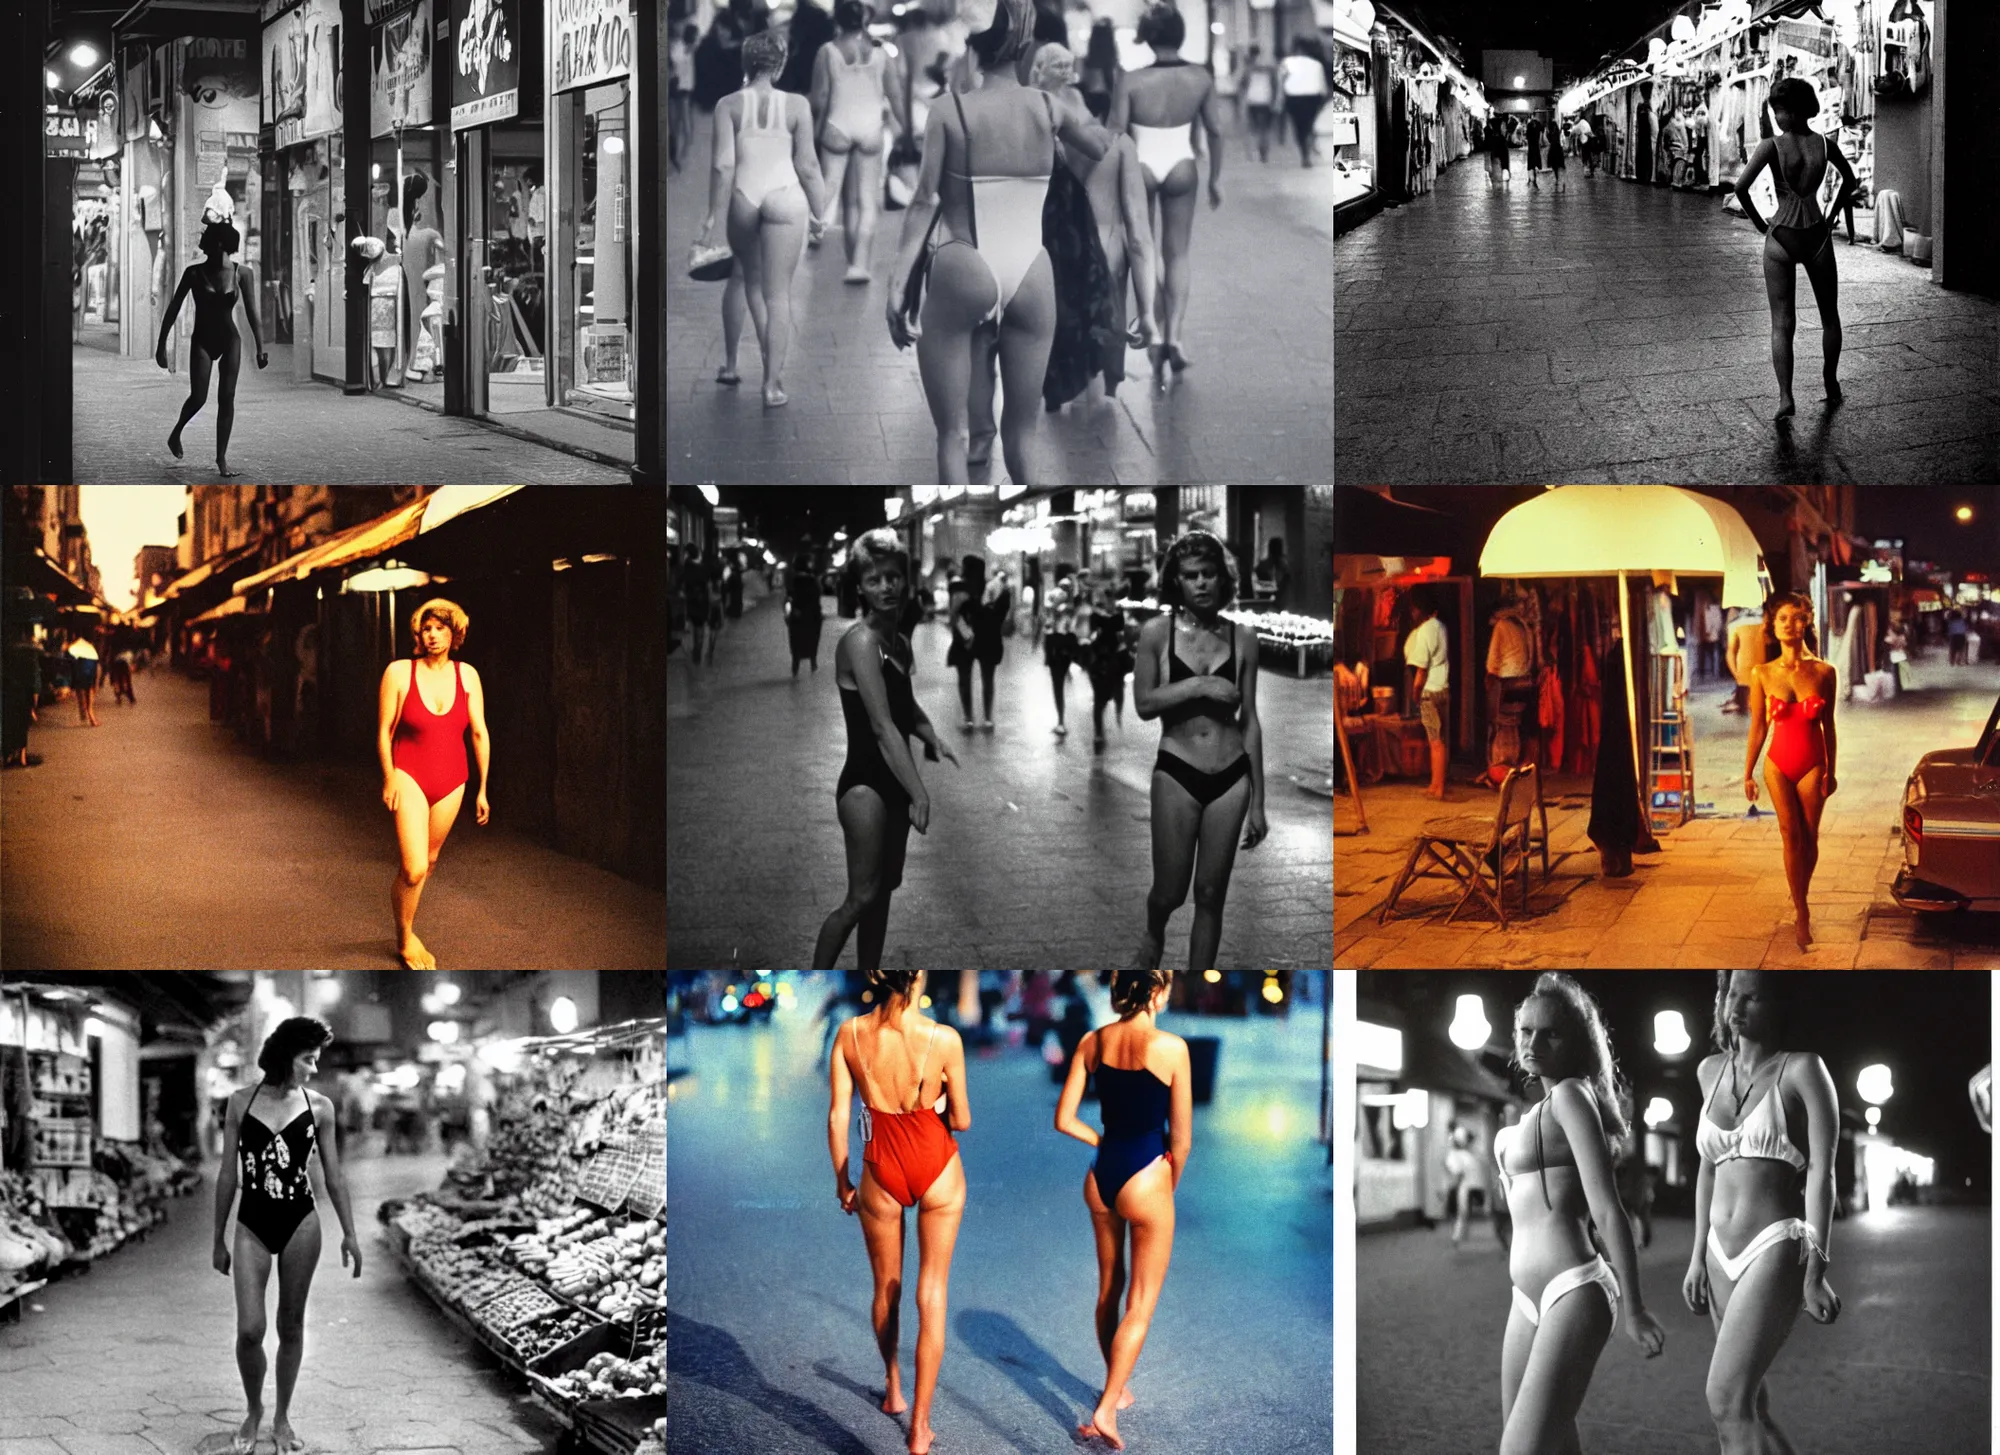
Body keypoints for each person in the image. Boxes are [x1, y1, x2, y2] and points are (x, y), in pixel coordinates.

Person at [883, 0, 1108, 483]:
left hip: (964, 264)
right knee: (1024, 440)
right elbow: (1100, 147)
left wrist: (897, 286)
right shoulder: (1048, 107)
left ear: (975, 48)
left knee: (952, 437)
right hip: (1032, 272)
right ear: (1023, 47)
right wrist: (1064, 93)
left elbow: (923, 201)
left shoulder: (949, 111)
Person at [1498, 975, 1665, 1455]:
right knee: (1549, 1438)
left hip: (1574, 1288)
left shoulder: (1572, 1096)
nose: (1534, 1042)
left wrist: (1634, 1309)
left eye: (1550, 1032)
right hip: (1524, 1298)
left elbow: (1609, 1208)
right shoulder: (1535, 1112)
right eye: (1526, 1031)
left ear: (1577, 1042)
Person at [1683, 971, 1841, 1455]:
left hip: (1775, 1246)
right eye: (1733, 993)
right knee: (1752, 1402)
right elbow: (1707, 1171)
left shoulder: (1803, 1069)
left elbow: (1821, 1174)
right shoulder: (1708, 1071)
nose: (1739, 1005)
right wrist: (1694, 1258)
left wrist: (1816, 1269)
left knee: (1725, 1398)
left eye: (1754, 997)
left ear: (1778, 1005)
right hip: (1716, 1253)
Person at [829, 967, 970, 1455]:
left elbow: (838, 1113)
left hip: (880, 1165)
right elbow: (963, 1120)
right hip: (936, 1166)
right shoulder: (943, 1038)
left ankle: (893, 1388)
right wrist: (942, 1098)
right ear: (918, 978)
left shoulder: (848, 1033)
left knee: (884, 1287)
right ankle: (921, 1427)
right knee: (931, 1291)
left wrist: (842, 1179)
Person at [1055, 966, 1191, 1450]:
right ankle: (1108, 1406)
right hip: (1148, 1173)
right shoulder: (1172, 1049)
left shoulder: (1093, 1042)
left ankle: (1118, 1386)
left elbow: (1064, 1118)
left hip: (1102, 1173)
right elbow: (1182, 1138)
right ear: (1158, 991)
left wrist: (1101, 1142)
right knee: (1141, 1302)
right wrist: (1164, 1187)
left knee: (1108, 1290)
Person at [213, 1017, 361, 1455]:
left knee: (290, 1324)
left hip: (302, 1221)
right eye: (308, 1059)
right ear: (285, 1056)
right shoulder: (240, 1102)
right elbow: (227, 1174)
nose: (314, 1069)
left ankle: (281, 1417)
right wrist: (216, 1238)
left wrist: (350, 1233)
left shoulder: (320, 1107)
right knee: (250, 1330)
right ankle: (254, 1408)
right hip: (251, 1223)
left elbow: (334, 1176)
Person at [813, 531, 959, 971]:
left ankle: (868, 978)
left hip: (893, 780)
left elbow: (904, 708)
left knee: (883, 892)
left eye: (893, 577)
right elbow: (880, 726)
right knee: (860, 897)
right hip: (865, 786)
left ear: (906, 581)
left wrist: (931, 733)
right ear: (860, 586)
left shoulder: (899, 642)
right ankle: (818, 976)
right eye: (875, 579)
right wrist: (920, 793)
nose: (886, 587)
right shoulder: (859, 642)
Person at [1130, 531, 1267, 973]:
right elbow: (1144, 704)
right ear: (1177, 582)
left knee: (1210, 894)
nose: (1202, 583)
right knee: (1170, 892)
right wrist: (1200, 684)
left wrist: (1259, 803)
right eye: (1192, 576)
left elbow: (1250, 720)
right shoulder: (1156, 634)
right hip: (1177, 771)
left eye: (1209, 574)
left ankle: (1197, 980)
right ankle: (1154, 930)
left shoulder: (1244, 636)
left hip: (1231, 776)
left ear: (1223, 579)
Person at [698, 30, 832, 407]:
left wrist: (712, 214)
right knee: (779, 295)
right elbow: (807, 165)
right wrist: (820, 214)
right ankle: (772, 384)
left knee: (744, 279)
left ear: (745, 62)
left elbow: (723, 165)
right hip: (786, 198)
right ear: (781, 63)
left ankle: (730, 364)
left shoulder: (728, 105)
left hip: (744, 197)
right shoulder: (797, 105)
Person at [1035, 45, 1156, 405]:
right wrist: (1148, 312)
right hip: (1108, 254)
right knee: (1108, 309)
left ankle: (1060, 391)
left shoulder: (1038, 139)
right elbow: (1140, 236)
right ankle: (1105, 387)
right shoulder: (1118, 146)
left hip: (1051, 254)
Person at [376, 599, 491, 971]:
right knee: (413, 868)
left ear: (454, 633)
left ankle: (408, 928)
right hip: (409, 773)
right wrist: (390, 775)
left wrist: (483, 788)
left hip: (453, 780)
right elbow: (384, 731)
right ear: (418, 633)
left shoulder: (467, 675)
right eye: (426, 628)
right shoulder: (399, 672)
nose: (432, 635)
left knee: (429, 860)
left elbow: (478, 732)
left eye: (440, 628)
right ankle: (405, 936)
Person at [1733, 78, 1855, 424]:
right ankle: (1830, 381)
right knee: (1829, 316)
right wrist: (1831, 215)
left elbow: (1741, 187)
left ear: (1792, 111)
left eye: (1779, 110)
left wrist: (1760, 223)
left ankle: (1786, 397)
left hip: (1781, 235)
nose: (1777, 116)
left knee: (1782, 323)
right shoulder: (1825, 145)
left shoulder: (1771, 146)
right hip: (1817, 234)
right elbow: (1850, 180)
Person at [1112, 4, 1222, 381]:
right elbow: (1216, 130)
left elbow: (1114, 132)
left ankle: (1153, 331)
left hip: (1139, 164)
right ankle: (1175, 335)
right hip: (1181, 163)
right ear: (1181, 35)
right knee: (1178, 253)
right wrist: (1216, 179)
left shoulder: (1130, 80)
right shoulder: (1200, 76)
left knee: (1145, 249)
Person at [1743, 592, 1837, 951]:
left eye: (1795, 618)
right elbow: (1757, 728)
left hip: (1813, 763)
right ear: (1773, 625)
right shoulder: (1762, 673)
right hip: (1777, 763)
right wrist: (1748, 772)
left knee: (1809, 838)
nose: (1788, 625)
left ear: (1806, 622)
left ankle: (1801, 892)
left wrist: (1832, 770)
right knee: (1789, 833)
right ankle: (1802, 910)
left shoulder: (1824, 671)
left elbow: (1829, 727)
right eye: (1781, 618)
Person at [155, 220, 267, 476]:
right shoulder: (194, 273)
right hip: (203, 341)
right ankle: (177, 432)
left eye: (210, 241)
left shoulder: (243, 273)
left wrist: (261, 348)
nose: (204, 245)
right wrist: (162, 345)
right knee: (199, 397)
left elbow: (253, 313)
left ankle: (221, 459)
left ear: (220, 245)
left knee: (226, 398)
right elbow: (173, 308)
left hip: (230, 340)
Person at [813, 1, 891, 283]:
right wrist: (905, 132)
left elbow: (820, 97)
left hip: (837, 126)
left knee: (836, 192)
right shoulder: (881, 54)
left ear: (838, 20)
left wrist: (814, 131)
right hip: (870, 128)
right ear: (864, 21)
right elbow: (892, 95)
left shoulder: (827, 52)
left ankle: (815, 226)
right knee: (866, 200)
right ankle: (859, 264)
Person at [1588, 622, 1639, 879]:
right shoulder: (1619, 658)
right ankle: (1618, 851)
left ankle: (1616, 852)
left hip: (1616, 734)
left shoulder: (1619, 658)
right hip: (1616, 734)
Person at [1402, 586, 1449, 801]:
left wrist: (1415, 693)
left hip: (1429, 691)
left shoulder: (1423, 631)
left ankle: (1436, 788)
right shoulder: (1441, 627)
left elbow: (1421, 670)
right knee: (1441, 741)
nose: (1412, 613)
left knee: (1434, 742)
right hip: (1444, 689)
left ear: (1419, 609)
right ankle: (1436, 784)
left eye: (1413, 609)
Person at [1485, 601, 1536, 780]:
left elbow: (1493, 659)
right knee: (1522, 727)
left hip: (1509, 683)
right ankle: (1526, 766)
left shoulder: (1501, 626)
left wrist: (1489, 680)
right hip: (1526, 681)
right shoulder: (1523, 626)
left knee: (1503, 726)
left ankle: (1503, 766)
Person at [1085, 586, 1134, 754]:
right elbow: (1092, 635)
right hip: (1100, 662)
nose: (1110, 602)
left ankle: (1114, 722)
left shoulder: (1117, 617)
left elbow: (1121, 637)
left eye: (1112, 598)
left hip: (1113, 662)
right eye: (1108, 598)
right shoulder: (1097, 616)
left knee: (1112, 694)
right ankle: (1099, 733)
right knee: (1100, 699)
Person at [1278, 37, 1328, 168]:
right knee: (1308, 124)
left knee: (1299, 127)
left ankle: (1305, 153)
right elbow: (1322, 85)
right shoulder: (1316, 64)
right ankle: (1308, 146)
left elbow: (1281, 81)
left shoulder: (1287, 62)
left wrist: (1280, 97)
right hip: (1312, 98)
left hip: (1294, 98)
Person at [2, 621, 42, 769]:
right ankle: (22, 757)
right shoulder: (30, 651)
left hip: (9, 689)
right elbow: (34, 676)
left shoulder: (7, 650)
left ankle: (8, 755)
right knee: (23, 724)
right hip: (24, 691)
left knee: (10, 721)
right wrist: (35, 698)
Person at [1044, 578, 1080, 737]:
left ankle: (1061, 721)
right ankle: (1060, 720)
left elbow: (1049, 633)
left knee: (1057, 687)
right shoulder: (1070, 610)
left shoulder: (1059, 613)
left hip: (1058, 649)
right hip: (1063, 650)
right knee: (1057, 686)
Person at [786, 538, 827, 675]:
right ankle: (811, 662)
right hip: (811, 614)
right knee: (812, 638)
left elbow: (789, 597)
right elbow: (816, 595)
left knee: (797, 640)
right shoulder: (809, 580)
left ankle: (797, 664)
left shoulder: (795, 579)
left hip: (799, 615)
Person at [1444, 1125, 1482, 1244]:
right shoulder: (1457, 1155)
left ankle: (1462, 1233)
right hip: (1463, 1185)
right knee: (1462, 1211)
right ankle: (1458, 1234)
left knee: (1464, 1211)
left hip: (1468, 1185)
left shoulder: (1467, 1155)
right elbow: (1457, 1173)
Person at [681, 545, 718, 665]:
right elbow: (708, 586)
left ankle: (695, 649)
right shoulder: (702, 569)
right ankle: (698, 650)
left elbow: (683, 585)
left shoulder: (686, 568)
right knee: (700, 627)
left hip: (690, 601)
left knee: (693, 626)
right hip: (702, 601)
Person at [668, 23, 697, 170]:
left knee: (682, 121)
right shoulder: (680, 48)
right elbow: (677, 63)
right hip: (678, 89)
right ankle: (679, 154)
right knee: (678, 122)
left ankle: (683, 153)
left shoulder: (685, 48)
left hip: (683, 89)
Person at [1079, 19, 1119, 123]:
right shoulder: (1113, 62)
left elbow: (1082, 81)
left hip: (1089, 98)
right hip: (1107, 99)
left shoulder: (1085, 61)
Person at [1242, 44, 1277, 162]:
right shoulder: (1269, 67)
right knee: (1265, 128)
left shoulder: (1248, 68)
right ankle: (1264, 152)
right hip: (1266, 99)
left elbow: (1243, 84)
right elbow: (1274, 83)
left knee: (1254, 128)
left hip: (1252, 100)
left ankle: (1255, 152)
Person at [65, 633, 102, 727]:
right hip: (88, 669)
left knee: (81, 690)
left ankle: (84, 712)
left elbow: (69, 658)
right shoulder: (90, 646)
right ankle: (90, 715)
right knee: (89, 691)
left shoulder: (75, 646)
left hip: (80, 669)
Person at [1485, 114, 1510, 186]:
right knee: (1504, 161)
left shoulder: (1491, 122)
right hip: (1501, 144)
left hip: (1494, 145)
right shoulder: (1502, 122)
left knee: (1494, 161)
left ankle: (1496, 180)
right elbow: (1503, 131)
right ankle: (1503, 176)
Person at [1570, 112, 1595, 176]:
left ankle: (1586, 172)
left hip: (1585, 141)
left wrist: (1573, 125)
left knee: (1584, 157)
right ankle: (1591, 170)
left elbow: (1572, 133)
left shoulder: (1579, 125)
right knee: (1589, 156)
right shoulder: (1585, 122)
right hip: (1590, 140)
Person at [1545, 118, 1566, 192]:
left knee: (1554, 166)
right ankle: (1563, 181)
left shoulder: (1550, 133)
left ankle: (1557, 179)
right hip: (1558, 149)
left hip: (1553, 149)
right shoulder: (1559, 132)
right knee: (1561, 166)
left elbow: (1548, 141)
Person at [1525, 113, 1543, 190]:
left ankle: (1530, 179)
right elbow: (1542, 132)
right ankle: (1533, 180)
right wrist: (1540, 140)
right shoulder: (1539, 124)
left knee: (1530, 164)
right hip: (1536, 146)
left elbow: (1527, 136)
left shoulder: (1529, 124)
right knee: (1535, 163)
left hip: (1531, 147)